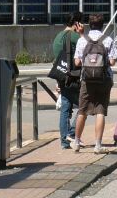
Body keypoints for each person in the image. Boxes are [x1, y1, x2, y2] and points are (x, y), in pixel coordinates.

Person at [72, 13, 117, 154]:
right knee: (100, 111)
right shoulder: (108, 39)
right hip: (104, 79)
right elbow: (112, 62)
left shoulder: (82, 40)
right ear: (102, 25)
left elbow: (77, 62)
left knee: (82, 110)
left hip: (86, 80)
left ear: (89, 25)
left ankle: (77, 142)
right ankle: (98, 145)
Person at [52, 11, 84, 149]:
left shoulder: (58, 36)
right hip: (74, 76)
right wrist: (82, 33)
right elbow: (87, 46)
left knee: (65, 107)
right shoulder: (75, 36)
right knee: (85, 105)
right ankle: (71, 133)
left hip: (62, 75)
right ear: (77, 23)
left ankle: (65, 141)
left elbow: (56, 59)